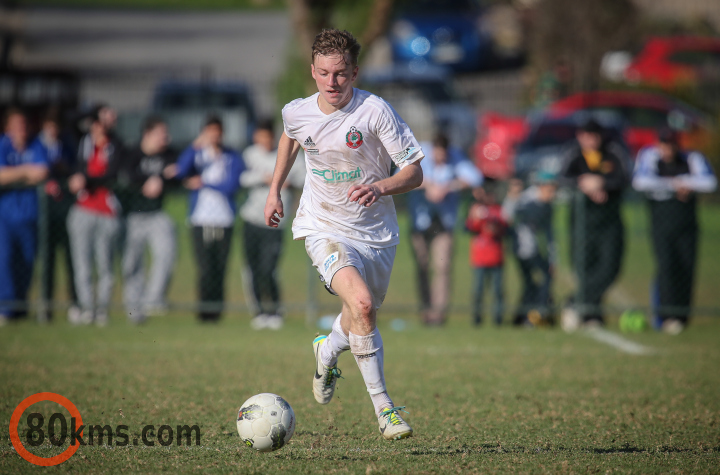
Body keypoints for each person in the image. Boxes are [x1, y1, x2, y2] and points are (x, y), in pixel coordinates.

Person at [264, 29, 424, 440]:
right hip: (323, 225)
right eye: (323, 73)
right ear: (312, 72)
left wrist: (380, 186)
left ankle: (328, 348)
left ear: (354, 71)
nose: (332, 82)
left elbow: (414, 173)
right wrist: (275, 190)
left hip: (376, 233)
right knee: (363, 304)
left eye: (340, 73)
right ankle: (385, 409)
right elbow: (290, 136)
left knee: (359, 316)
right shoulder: (298, 111)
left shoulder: (375, 112)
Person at [632, 128, 717, 334]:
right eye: (663, 144)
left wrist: (686, 184)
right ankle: (666, 315)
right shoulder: (649, 157)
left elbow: (710, 182)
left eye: (671, 144)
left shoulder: (692, 158)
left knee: (686, 266)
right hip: (661, 220)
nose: (667, 149)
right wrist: (675, 185)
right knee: (667, 265)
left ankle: (681, 316)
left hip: (687, 222)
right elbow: (640, 181)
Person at [166, 115, 244, 322]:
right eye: (210, 132)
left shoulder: (231, 157)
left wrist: (205, 183)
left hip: (224, 219)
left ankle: (217, 312)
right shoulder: (198, 155)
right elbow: (180, 171)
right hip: (200, 219)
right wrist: (193, 147)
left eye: (217, 132)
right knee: (204, 268)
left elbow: (232, 185)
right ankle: (204, 312)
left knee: (220, 267)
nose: (214, 136)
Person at [407, 134, 482, 325]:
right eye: (438, 154)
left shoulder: (455, 156)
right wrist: (428, 185)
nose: (441, 159)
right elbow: (400, 176)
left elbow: (475, 177)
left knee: (442, 266)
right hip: (420, 221)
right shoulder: (418, 153)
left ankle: (438, 316)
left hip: (444, 222)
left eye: (444, 155)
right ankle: (426, 311)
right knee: (422, 266)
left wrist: (448, 187)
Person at [561, 119, 627, 329]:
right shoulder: (573, 154)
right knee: (585, 268)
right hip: (581, 222)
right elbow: (562, 178)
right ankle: (592, 315)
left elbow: (625, 177)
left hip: (609, 221)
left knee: (609, 267)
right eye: (585, 135)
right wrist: (584, 184)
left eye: (594, 136)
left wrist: (602, 183)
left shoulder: (613, 152)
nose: (590, 140)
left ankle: (574, 302)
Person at [240, 119, 305, 331]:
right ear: (255, 137)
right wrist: (264, 178)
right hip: (252, 218)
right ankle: (259, 311)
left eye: (269, 136)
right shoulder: (249, 155)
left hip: (275, 222)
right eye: (261, 136)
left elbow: (305, 177)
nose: (265, 141)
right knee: (253, 268)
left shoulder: (287, 154)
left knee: (270, 268)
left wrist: (287, 182)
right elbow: (240, 178)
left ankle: (275, 311)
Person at [67, 107, 123, 326]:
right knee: (82, 264)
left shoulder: (115, 145)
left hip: (107, 212)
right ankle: (87, 307)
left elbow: (112, 174)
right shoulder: (82, 143)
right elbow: (70, 119)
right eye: (100, 120)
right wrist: (95, 112)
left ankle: (102, 309)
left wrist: (85, 179)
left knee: (105, 264)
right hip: (83, 209)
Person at [118, 116, 177, 324]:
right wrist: (147, 181)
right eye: (162, 133)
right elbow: (124, 175)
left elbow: (177, 173)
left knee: (166, 255)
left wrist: (161, 178)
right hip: (133, 217)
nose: (166, 138)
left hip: (157, 215)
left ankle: (153, 299)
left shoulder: (168, 155)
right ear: (148, 134)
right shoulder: (132, 154)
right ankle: (134, 312)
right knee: (132, 265)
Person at [0, 109, 49, 325]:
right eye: (17, 125)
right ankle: (6, 308)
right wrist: (26, 171)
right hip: (5, 217)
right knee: (5, 260)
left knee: (27, 262)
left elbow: (42, 172)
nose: (22, 130)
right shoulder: (2, 146)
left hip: (30, 216)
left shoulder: (36, 145)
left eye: (24, 125)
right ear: (7, 128)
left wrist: (14, 174)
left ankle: (21, 307)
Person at [36, 109, 80, 322]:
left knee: (71, 259)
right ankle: (45, 305)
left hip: (65, 209)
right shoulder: (38, 145)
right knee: (47, 261)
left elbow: (75, 167)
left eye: (56, 127)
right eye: (49, 126)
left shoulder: (67, 145)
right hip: (45, 213)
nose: (53, 131)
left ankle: (75, 304)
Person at [502, 173, 558, 326]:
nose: (552, 193)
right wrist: (512, 196)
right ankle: (538, 311)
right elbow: (507, 217)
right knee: (540, 279)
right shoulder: (528, 200)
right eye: (550, 188)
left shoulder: (546, 205)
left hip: (534, 249)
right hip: (523, 249)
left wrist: (553, 257)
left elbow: (549, 232)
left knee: (531, 283)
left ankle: (522, 317)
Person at [466, 186, 506, 326]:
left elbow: (503, 227)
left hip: (496, 257)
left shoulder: (499, 210)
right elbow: (470, 227)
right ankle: (476, 319)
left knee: (498, 291)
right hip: (480, 257)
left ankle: (498, 319)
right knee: (478, 290)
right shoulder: (477, 209)